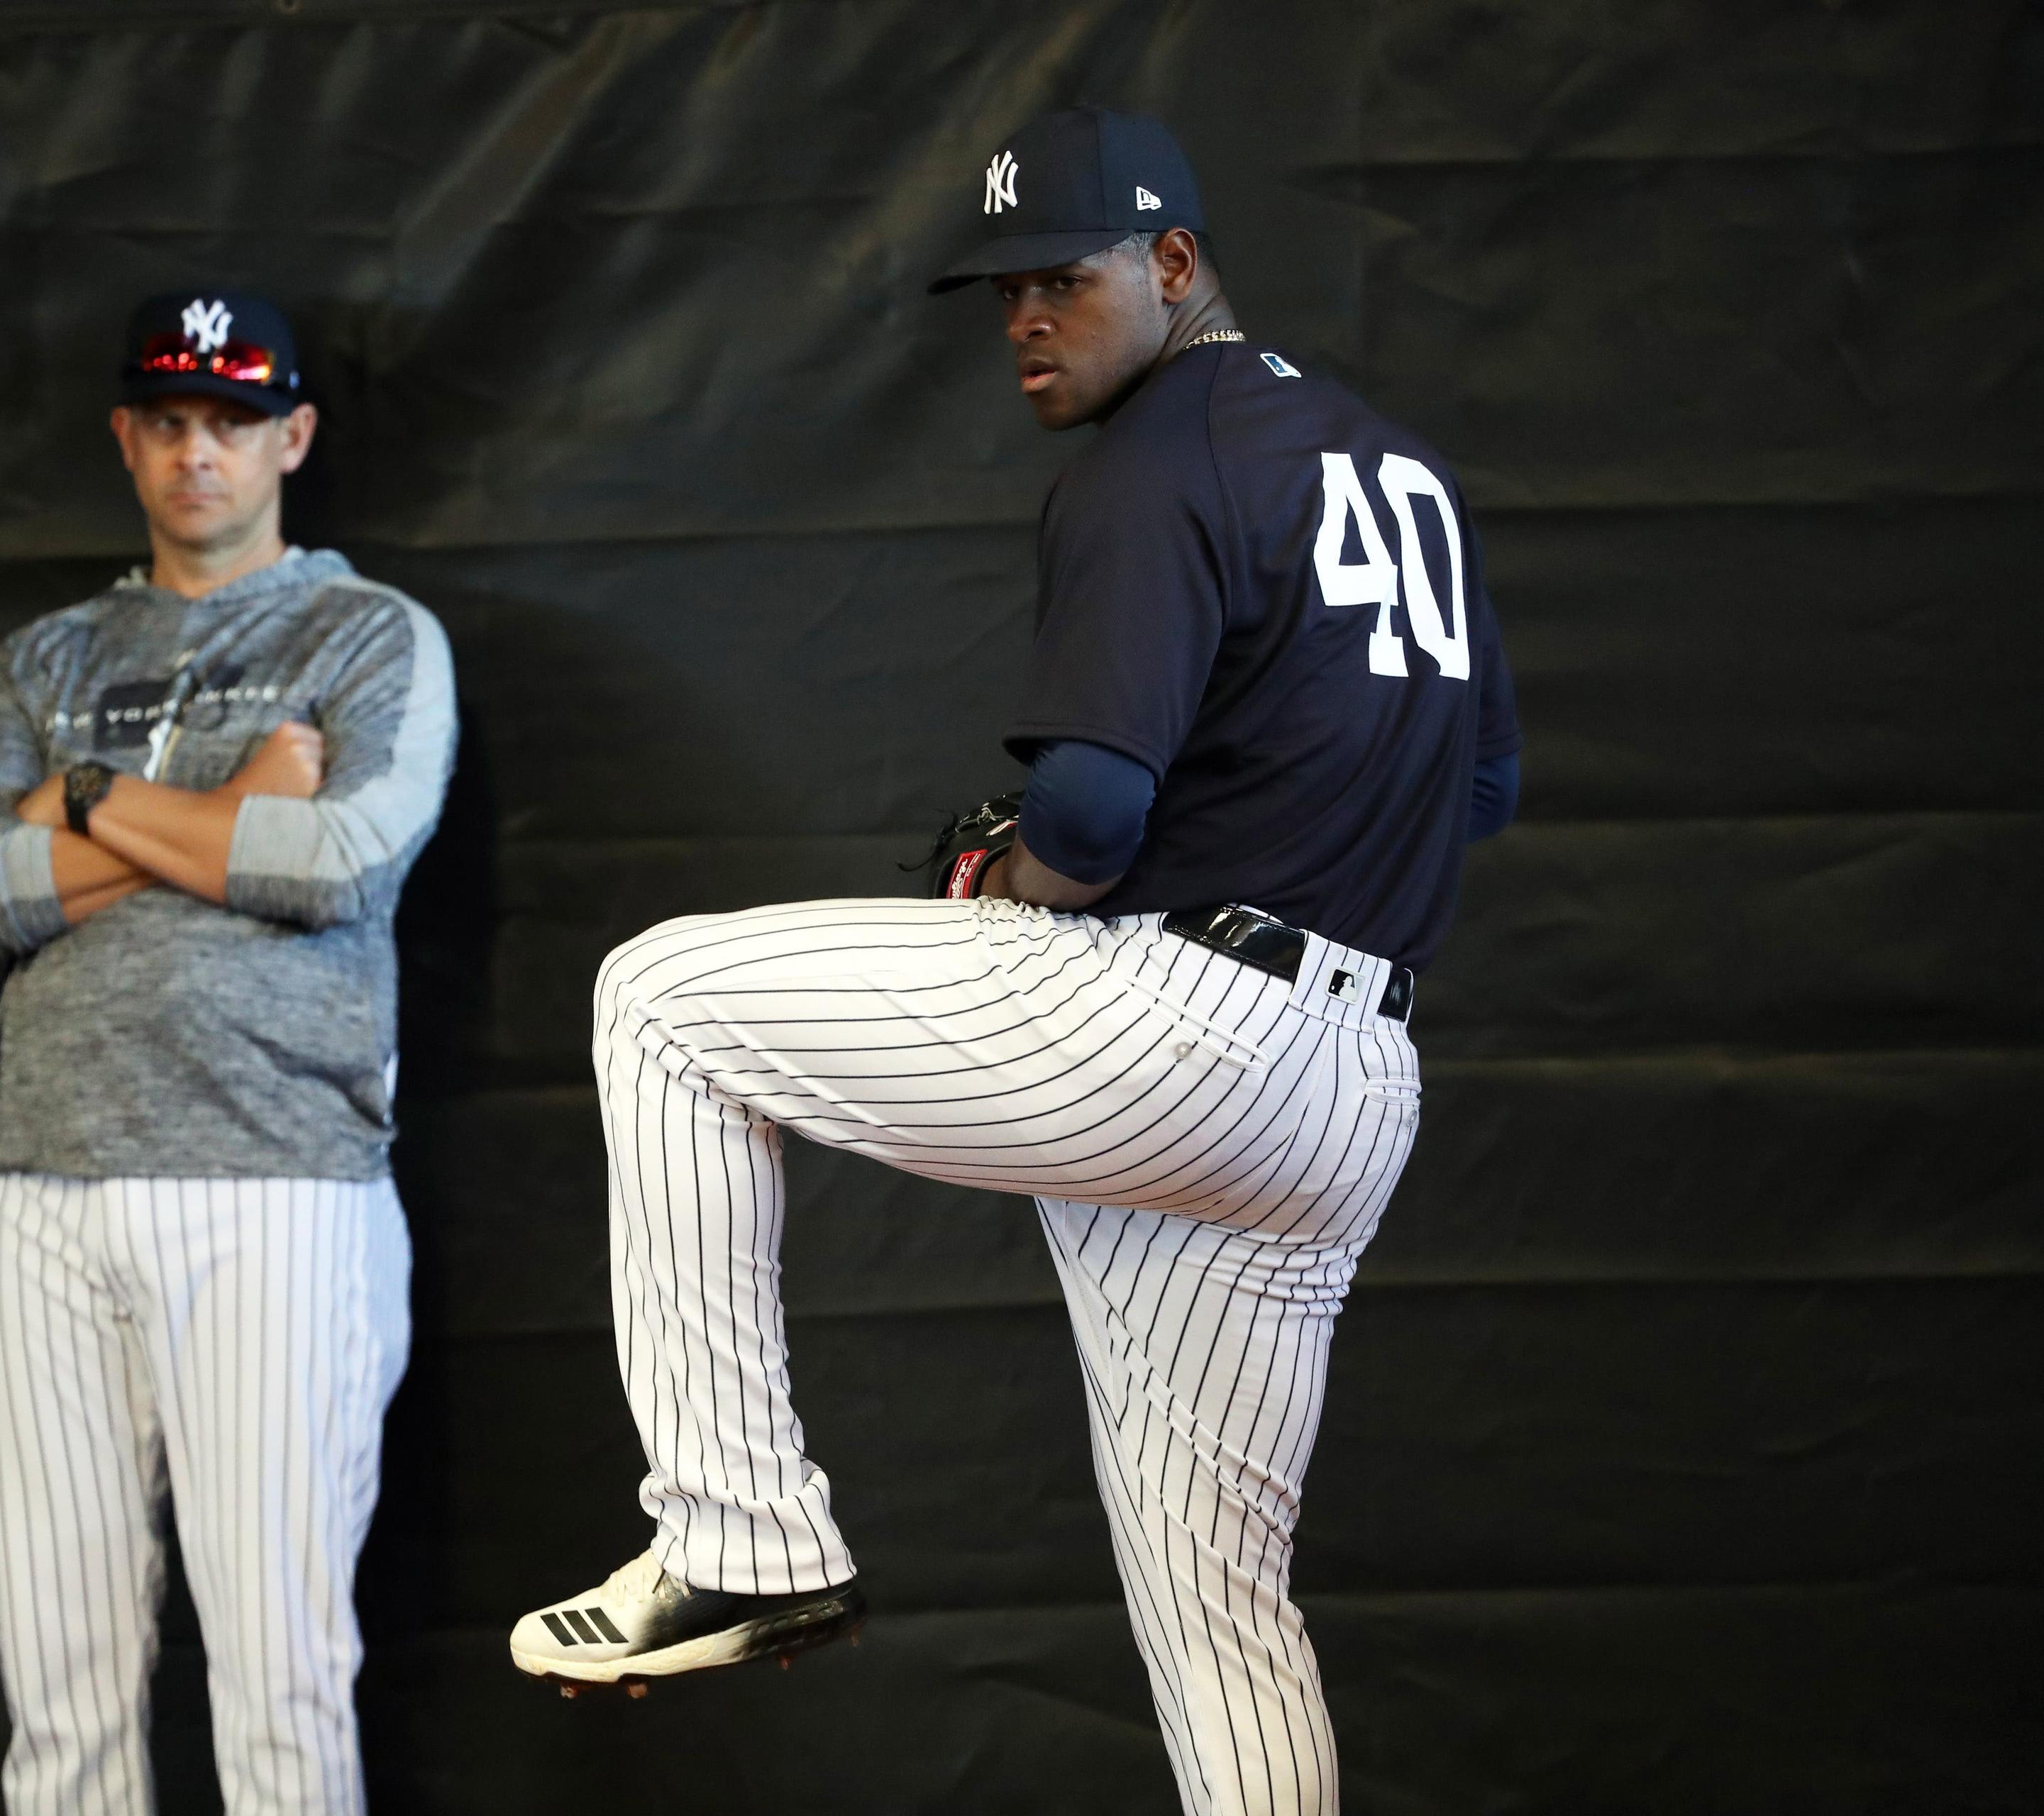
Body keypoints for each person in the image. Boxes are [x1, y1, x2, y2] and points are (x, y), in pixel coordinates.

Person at [507, 109, 1519, 1816]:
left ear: (1176, 266)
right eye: (1004, 287)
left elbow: (1095, 811)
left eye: (1066, 275)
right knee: (1221, 1611)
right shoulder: (1391, 464)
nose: (1027, 317)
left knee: (663, 998)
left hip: (1189, 1028)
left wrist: (1009, 872)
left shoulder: (1158, 454)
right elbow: (1482, 785)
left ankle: (742, 1536)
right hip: (1354, 1084)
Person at [0, 285, 455, 1815]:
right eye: (169, 419)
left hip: (275, 1186)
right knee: (61, 1700)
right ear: (127, 436)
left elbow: (337, 864)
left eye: (231, 419)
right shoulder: (47, 656)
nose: (198, 451)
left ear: (291, 434)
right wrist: (224, 808)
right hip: (39, 1193)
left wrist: (70, 808)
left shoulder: (365, 635)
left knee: (280, 1679)